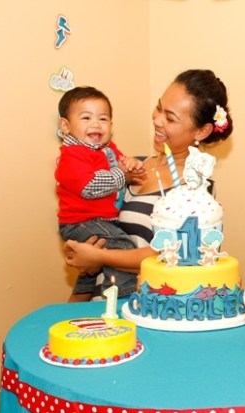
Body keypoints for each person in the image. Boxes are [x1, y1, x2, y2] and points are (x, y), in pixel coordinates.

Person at [63, 69, 233, 299]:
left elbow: (171, 256)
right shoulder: (131, 166)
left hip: (142, 305)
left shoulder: (196, 191)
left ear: (202, 131)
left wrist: (99, 257)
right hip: (99, 303)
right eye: (159, 107)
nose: (157, 119)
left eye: (170, 118)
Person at [55, 86, 145, 301]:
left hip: (101, 221)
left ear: (111, 125)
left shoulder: (108, 148)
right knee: (123, 247)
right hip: (81, 222)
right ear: (66, 126)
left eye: (103, 119)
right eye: (86, 118)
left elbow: (122, 163)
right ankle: (123, 297)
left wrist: (131, 164)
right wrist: (124, 176)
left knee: (92, 268)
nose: (96, 124)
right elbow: (89, 186)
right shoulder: (72, 155)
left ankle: (79, 301)